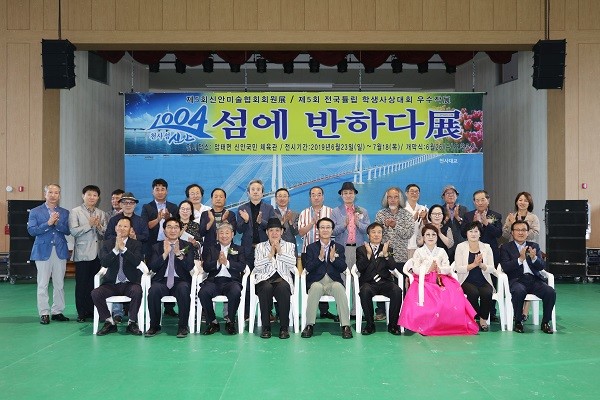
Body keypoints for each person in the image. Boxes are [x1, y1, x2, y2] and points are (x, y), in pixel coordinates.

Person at [399, 224, 478, 336]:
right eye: (428, 235)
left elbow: (448, 267)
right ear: (423, 237)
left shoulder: (441, 251)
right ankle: (421, 324)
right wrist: (428, 269)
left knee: (451, 295)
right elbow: (415, 268)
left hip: (440, 278)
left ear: (437, 237)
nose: (431, 237)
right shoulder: (418, 252)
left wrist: (439, 269)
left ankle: (447, 324)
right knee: (424, 295)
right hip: (424, 279)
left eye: (433, 235)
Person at [91, 216, 144, 336]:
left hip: (129, 283)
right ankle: (109, 321)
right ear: (115, 228)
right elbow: (104, 262)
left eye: (125, 226)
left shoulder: (136, 244)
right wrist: (115, 250)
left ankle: (132, 322)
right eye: (119, 226)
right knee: (95, 293)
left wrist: (124, 250)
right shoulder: (107, 244)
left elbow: (137, 261)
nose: (122, 228)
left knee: (137, 291)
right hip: (111, 283)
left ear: (130, 229)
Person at [301, 217, 353, 339]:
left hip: (333, 281)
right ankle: (309, 325)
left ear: (332, 230)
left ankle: (345, 326)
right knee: (315, 288)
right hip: (316, 281)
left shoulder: (339, 247)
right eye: (322, 227)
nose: (325, 230)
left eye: (328, 227)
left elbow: (343, 267)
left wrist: (333, 259)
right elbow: (308, 268)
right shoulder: (311, 248)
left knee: (339, 287)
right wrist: (319, 258)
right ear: (318, 230)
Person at [500, 220, 555, 334]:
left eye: (524, 230)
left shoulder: (534, 246)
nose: (521, 233)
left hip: (534, 280)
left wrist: (534, 258)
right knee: (519, 291)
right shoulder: (506, 247)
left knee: (550, 292)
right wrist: (520, 259)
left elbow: (541, 266)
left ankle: (545, 322)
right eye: (517, 230)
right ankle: (518, 321)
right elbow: (505, 267)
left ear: (528, 232)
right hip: (517, 280)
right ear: (512, 232)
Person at [27, 184, 71, 324]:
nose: (53, 195)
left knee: (59, 283)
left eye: (56, 192)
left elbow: (67, 230)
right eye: (50, 192)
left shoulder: (64, 212)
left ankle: (57, 311)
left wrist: (57, 224)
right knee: (43, 283)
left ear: (59, 195)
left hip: (60, 250)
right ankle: (44, 312)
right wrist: (48, 223)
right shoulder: (35, 211)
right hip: (42, 251)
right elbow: (32, 231)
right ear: (45, 194)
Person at [146, 217, 195, 338]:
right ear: (164, 230)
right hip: (162, 280)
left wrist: (178, 254)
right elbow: (152, 267)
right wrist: (165, 253)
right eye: (169, 227)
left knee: (183, 289)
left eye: (176, 227)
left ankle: (183, 326)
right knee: (153, 290)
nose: (173, 230)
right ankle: (154, 326)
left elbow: (190, 266)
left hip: (180, 280)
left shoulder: (187, 246)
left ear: (180, 230)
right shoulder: (156, 247)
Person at [69, 185, 108, 323]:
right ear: (83, 196)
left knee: (94, 284)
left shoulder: (101, 213)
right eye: (89, 195)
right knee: (82, 285)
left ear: (98, 198)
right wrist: (89, 225)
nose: (92, 197)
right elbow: (73, 231)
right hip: (82, 253)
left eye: (95, 195)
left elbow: (105, 233)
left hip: (97, 254)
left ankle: (92, 311)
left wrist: (98, 226)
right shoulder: (75, 212)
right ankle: (81, 313)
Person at [374, 186, 414, 320]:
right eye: (389, 197)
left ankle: (400, 311)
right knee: (381, 281)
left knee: (399, 284)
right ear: (386, 199)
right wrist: (385, 226)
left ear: (400, 199)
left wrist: (395, 225)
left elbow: (408, 233)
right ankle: (380, 310)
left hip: (400, 256)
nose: (392, 200)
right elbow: (375, 235)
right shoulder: (380, 214)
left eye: (395, 197)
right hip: (383, 256)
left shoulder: (406, 214)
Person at [237, 179, 275, 318]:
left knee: (266, 280)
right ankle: (247, 312)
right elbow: (239, 230)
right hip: (247, 250)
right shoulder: (242, 208)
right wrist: (246, 220)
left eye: (258, 189)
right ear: (248, 193)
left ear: (262, 193)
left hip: (265, 251)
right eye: (252, 189)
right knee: (247, 280)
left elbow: (273, 227)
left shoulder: (269, 208)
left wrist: (261, 222)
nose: (255, 192)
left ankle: (267, 312)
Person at [356, 222, 403, 335]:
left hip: (385, 282)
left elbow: (392, 267)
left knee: (397, 291)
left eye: (379, 232)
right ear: (368, 235)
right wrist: (368, 255)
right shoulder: (361, 249)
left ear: (382, 235)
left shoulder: (388, 249)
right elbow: (360, 268)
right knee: (364, 291)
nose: (376, 235)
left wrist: (386, 255)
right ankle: (370, 325)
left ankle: (393, 325)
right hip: (369, 283)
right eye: (373, 232)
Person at [297, 186, 337, 321]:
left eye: (319, 194)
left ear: (323, 197)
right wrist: (312, 223)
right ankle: (310, 312)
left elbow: (335, 232)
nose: (316, 197)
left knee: (326, 277)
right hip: (308, 252)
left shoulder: (331, 212)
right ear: (310, 198)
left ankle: (324, 311)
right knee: (311, 281)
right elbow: (301, 233)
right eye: (313, 195)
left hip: (327, 251)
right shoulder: (304, 213)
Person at [199, 223, 246, 335]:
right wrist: (217, 262)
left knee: (235, 291)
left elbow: (242, 266)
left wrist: (227, 263)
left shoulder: (239, 249)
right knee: (203, 292)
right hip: (214, 281)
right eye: (221, 233)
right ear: (217, 235)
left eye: (227, 233)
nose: (224, 236)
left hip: (231, 281)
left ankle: (230, 321)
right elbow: (206, 267)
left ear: (232, 234)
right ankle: (212, 322)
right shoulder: (212, 249)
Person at [253, 218, 296, 339]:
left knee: (283, 288)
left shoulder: (289, 246)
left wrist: (280, 252)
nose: (274, 233)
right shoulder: (260, 247)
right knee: (265, 288)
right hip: (264, 279)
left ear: (282, 232)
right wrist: (270, 254)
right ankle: (266, 327)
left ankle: (284, 327)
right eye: (271, 230)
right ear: (267, 232)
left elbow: (292, 264)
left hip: (282, 279)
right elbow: (257, 266)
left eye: (277, 230)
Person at [454, 221, 497, 332]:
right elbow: (458, 268)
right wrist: (473, 264)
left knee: (487, 293)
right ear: (466, 233)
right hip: (466, 280)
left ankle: (483, 320)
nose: (473, 234)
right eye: (470, 231)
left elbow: (492, 268)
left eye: (476, 231)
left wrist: (481, 265)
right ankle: (474, 317)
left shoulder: (486, 247)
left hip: (483, 280)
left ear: (480, 233)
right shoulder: (460, 247)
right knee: (473, 293)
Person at [141, 178, 179, 258]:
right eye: (157, 189)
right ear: (153, 192)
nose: (160, 192)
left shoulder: (173, 207)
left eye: (162, 189)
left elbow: (178, 226)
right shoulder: (147, 207)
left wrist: (169, 218)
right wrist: (158, 219)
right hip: (152, 244)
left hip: (170, 243)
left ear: (167, 191)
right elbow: (145, 226)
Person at [441, 185, 467, 261]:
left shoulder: (464, 209)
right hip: (444, 245)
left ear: (457, 196)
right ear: (443, 197)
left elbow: (467, 228)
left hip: (460, 243)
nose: (450, 195)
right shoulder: (439, 209)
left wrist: (457, 217)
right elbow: (437, 227)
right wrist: (447, 218)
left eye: (453, 193)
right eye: (448, 193)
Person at [273, 188, 299, 255]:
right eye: (280, 196)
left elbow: (296, 232)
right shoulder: (271, 214)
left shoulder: (295, 215)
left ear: (289, 199)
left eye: (284, 196)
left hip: (291, 251)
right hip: (274, 250)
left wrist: (290, 221)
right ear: (275, 199)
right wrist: (281, 222)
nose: (282, 199)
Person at [404, 184, 428, 259]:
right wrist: (412, 219)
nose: (414, 194)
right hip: (404, 246)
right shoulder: (401, 209)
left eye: (417, 192)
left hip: (419, 246)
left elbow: (429, 228)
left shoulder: (423, 209)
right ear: (406, 193)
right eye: (412, 191)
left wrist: (424, 219)